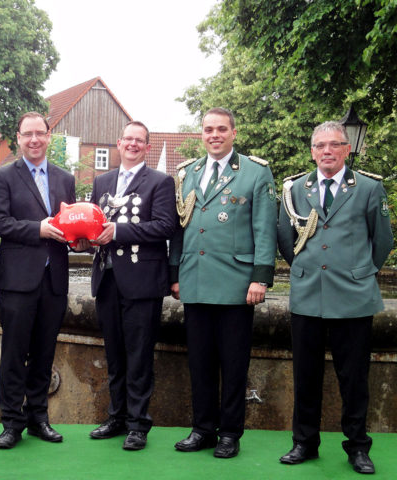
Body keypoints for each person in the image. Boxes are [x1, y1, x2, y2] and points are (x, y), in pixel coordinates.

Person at [277, 121, 392, 474]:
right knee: (306, 376)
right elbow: (285, 238)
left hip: (353, 296)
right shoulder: (295, 189)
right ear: (312, 151)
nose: (327, 151)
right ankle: (304, 443)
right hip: (308, 293)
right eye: (320, 145)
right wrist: (309, 269)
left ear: (347, 149)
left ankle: (358, 447)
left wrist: (356, 273)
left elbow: (382, 242)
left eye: (335, 145)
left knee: (354, 378)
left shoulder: (370, 188)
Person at [168, 107, 277, 458]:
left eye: (221, 129)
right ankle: (202, 429)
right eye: (208, 129)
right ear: (201, 134)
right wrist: (175, 274)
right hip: (196, 281)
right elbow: (180, 229)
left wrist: (260, 278)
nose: (214, 135)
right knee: (199, 362)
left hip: (235, 283)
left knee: (233, 364)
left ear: (233, 132)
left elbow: (264, 229)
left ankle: (229, 433)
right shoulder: (188, 172)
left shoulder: (255, 173)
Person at [0, 111, 76, 449]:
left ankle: (39, 418)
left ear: (49, 135)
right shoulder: (3, 176)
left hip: (54, 279)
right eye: (28, 134)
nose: (34, 139)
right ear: (19, 138)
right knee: (14, 352)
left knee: (43, 352)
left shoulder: (65, 178)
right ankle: (11, 422)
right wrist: (36, 229)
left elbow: (68, 223)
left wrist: (79, 236)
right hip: (18, 280)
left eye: (40, 133)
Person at [87, 121, 176, 450]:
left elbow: (166, 226)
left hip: (142, 281)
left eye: (140, 141)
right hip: (107, 278)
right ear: (119, 143)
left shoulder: (160, 182)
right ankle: (117, 416)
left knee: (139, 355)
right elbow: (95, 222)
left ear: (147, 146)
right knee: (114, 354)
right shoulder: (102, 180)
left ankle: (138, 424)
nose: (133, 144)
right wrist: (83, 239)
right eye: (128, 139)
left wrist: (120, 232)